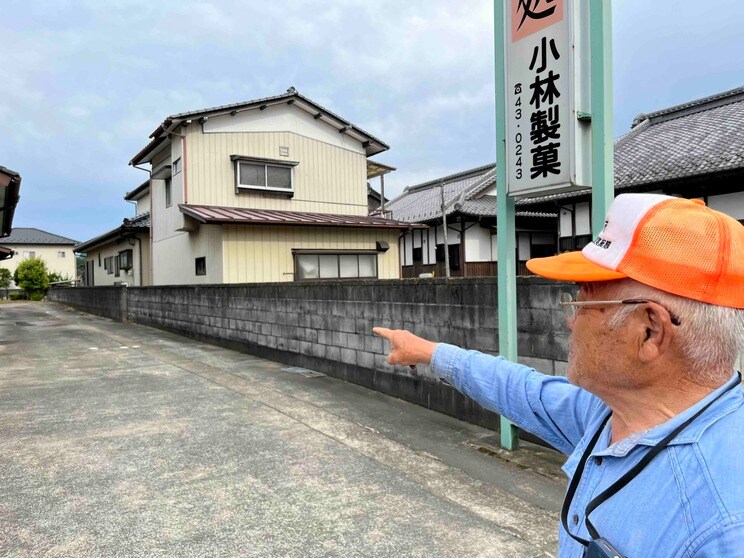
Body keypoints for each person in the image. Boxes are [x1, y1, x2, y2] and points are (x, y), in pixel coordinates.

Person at [374, 193, 744, 557]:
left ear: (649, 330)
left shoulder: (722, 524)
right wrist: (428, 352)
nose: (570, 319)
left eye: (583, 300)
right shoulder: (614, 413)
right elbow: (523, 391)